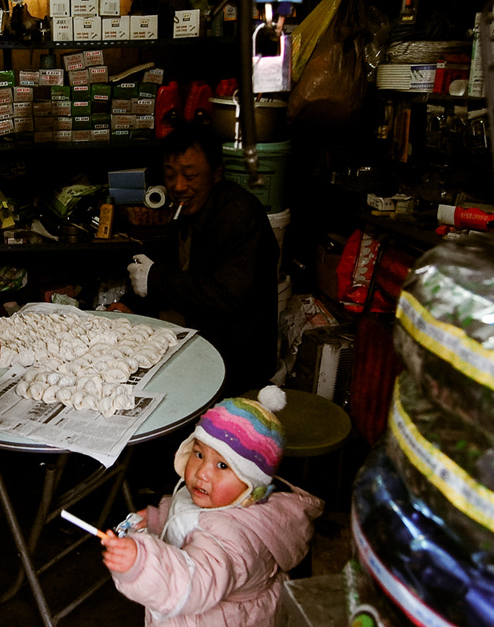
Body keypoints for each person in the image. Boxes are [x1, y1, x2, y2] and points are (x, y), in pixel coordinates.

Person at [100, 386, 323, 626]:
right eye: (198, 454)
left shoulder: (235, 539)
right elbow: (186, 514)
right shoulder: (215, 496)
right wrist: (158, 519)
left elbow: (195, 582)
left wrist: (143, 563)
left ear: (251, 483)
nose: (202, 473)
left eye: (223, 466)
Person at [125, 120, 279, 397]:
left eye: (190, 175)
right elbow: (170, 267)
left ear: (217, 173)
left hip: (235, 358)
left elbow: (228, 296)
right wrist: (130, 305)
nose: (179, 186)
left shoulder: (240, 215)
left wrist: (156, 278)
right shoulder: (185, 210)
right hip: (196, 338)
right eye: (171, 175)